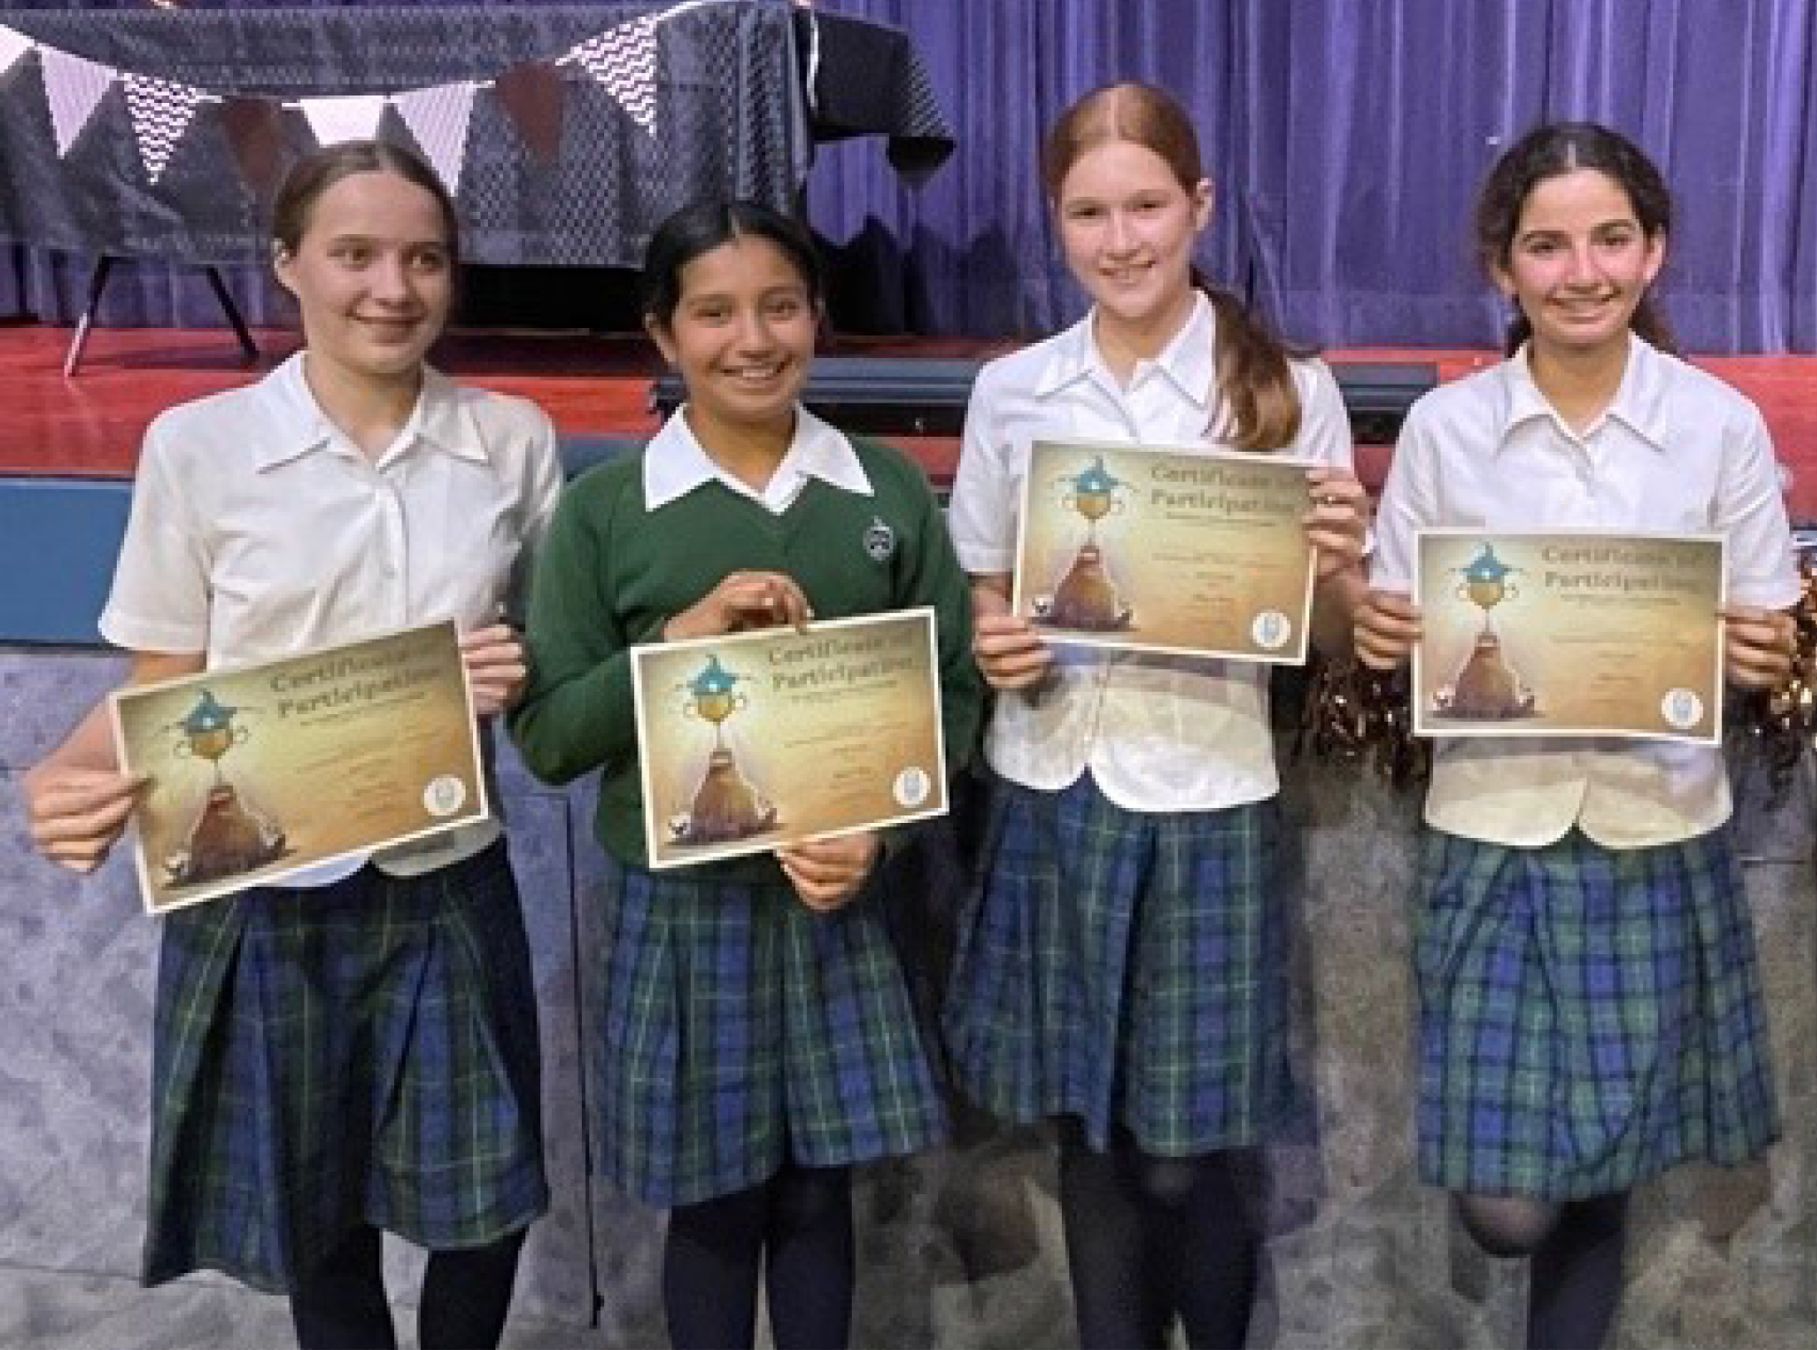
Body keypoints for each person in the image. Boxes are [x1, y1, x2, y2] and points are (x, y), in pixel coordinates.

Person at [22, 140, 557, 1350]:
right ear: (287, 264)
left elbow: (546, 650)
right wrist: (65, 774)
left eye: (425, 259)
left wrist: (514, 667)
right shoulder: (198, 445)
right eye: (354, 254)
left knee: (486, 1202)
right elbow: (166, 681)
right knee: (317, 1210)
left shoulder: (511, 438)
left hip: (447, 872)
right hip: (265, 884)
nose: (392, 289)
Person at [1352, 121, 1800, 1350]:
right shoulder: (1447, 430)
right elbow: (1398, 619)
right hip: (1491, 825)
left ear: (1655, 250)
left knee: (1607, 1158)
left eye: (1611, 240)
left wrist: (1756, 659)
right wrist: (1382, 632)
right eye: (1546, 246)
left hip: (1655, 823)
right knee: (1506, 1207)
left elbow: (1765, 623)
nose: (1582, 272)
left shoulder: (1719, 425)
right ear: (1501, 267)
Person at [939, 81, 1369, 1350]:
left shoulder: (1285, 392)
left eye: (1146, 208)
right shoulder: (1015, 390)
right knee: (1093, 1132)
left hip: (1205, 787)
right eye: (1089, 214)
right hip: (1054, 781)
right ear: (1055, 220)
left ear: (1200, 206)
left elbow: (1332, 643)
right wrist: (994, 639)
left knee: (1189, 1151)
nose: (1120, 241)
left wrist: (1339, 569)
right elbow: (981, 586)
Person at [507, 198, 980, 1350]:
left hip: (839, 902)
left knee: (819, 1194)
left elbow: (953, 697)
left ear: (817, 316)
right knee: (713, 1207)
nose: (753, 340)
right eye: (714, 314)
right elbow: (552, 737)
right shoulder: (605, 513)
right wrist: (673, 646)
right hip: (684, 913)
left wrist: (880, 836)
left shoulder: (885, 491)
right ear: (662, 334)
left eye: (780, 307)